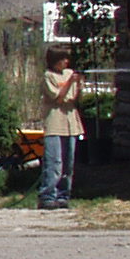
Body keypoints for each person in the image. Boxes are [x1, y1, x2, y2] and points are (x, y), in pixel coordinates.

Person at [41, 47, 85, 209]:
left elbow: (74, 99)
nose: (66, 62)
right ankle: (47, 196)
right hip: (55, 124)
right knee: (54, 163)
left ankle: (63, 195)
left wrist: (78, 84)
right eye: (63, 59)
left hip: (71, 124)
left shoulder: (69, 74)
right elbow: (58, 98)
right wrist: (70, 82)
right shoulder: (48, 76)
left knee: (68, 164)